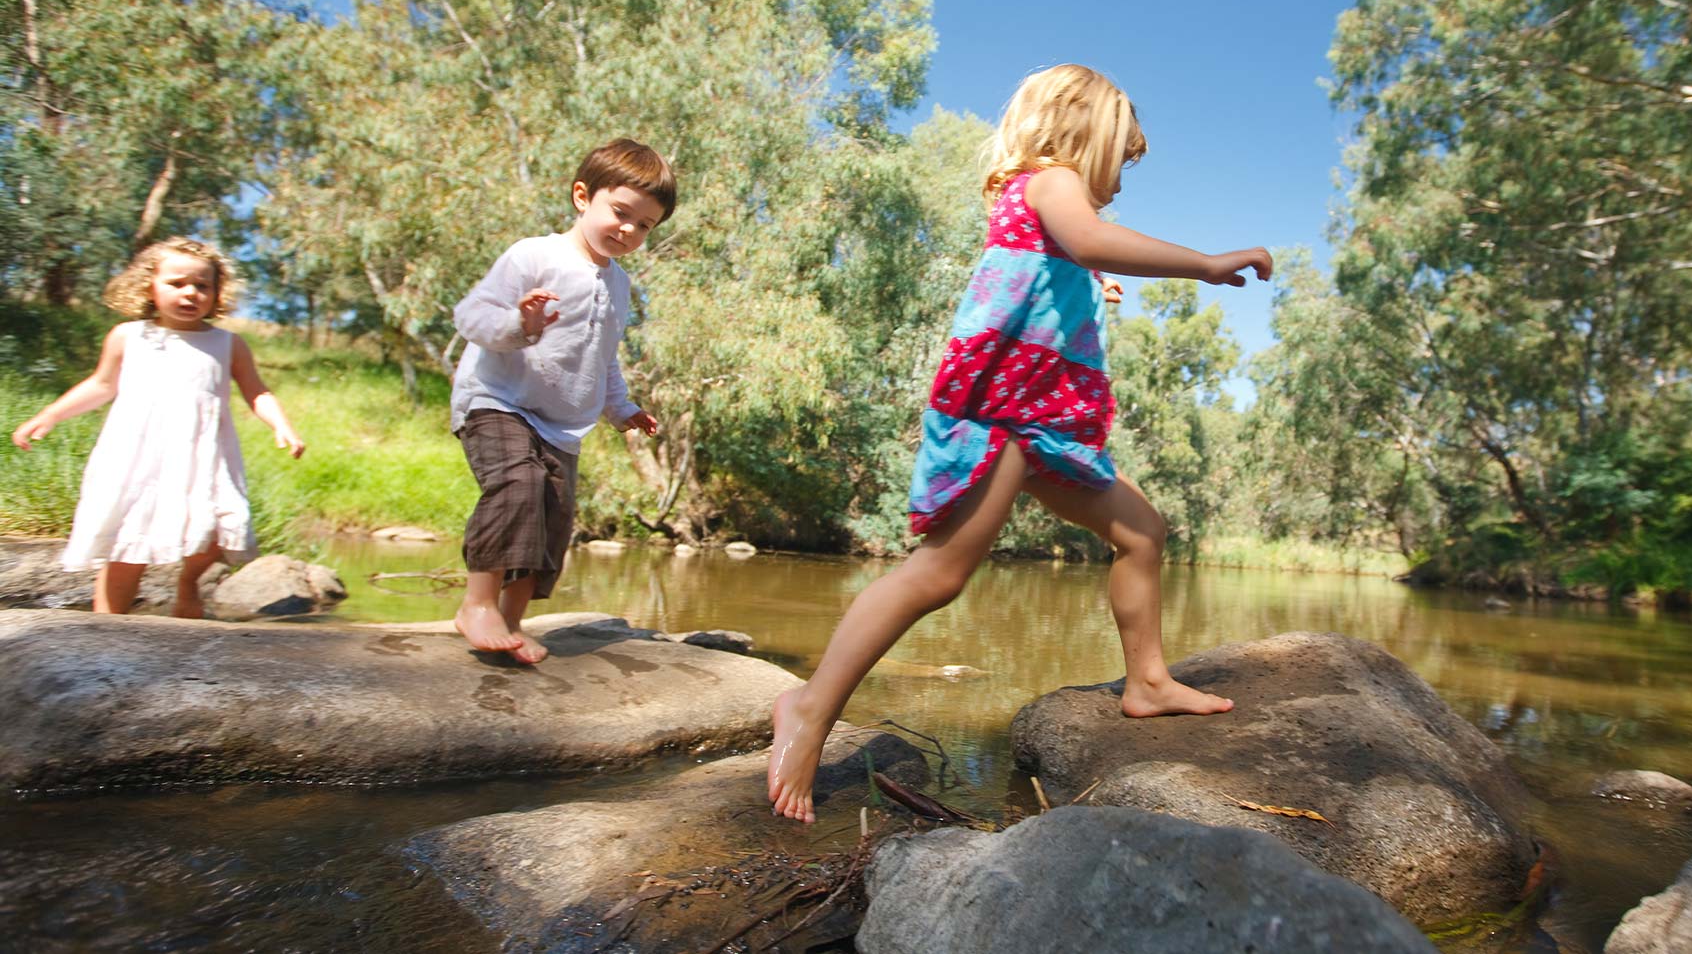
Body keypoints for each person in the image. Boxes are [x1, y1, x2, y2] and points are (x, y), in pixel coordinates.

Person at [767, 64, 1273, 821]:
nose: (1121, 181)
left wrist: (1086, 281)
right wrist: (1201, 265)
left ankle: (1148, 681)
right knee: (938, 574)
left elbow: (1060, 259)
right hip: (1002, 411)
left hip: (1049, 421)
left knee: (1142, 532)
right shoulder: (1050, 179)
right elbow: (1083, 232)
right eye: (1120, 161)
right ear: (1081, 133)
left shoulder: (1049, 207)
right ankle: (808, 708)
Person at [448, 138, 670, 663]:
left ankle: (512, 619)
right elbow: (470, 316)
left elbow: (604, 357)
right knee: (517, 484)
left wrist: (621, 409)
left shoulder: (619, 287)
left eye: (645, 226)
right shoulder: (535, 255)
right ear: (581, 197)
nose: (629, 231)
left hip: (562, 423)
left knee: (554, 514)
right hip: (497, 399)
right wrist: (517, 324)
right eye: (621, 213)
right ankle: (476, 604)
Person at [11, 237, 306, 616]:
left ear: (217, 294)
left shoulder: (228, 344)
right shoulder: (129, 336)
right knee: (127, 541)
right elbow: (102, 384)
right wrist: (49, 415)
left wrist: (282, 426)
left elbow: (257, 392)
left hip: (203, 456)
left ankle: (189, 583)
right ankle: (107, 624)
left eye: (203, 286)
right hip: (137, 456)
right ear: (149, 284)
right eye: (177, 283)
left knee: (217, 530)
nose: (191, 293)